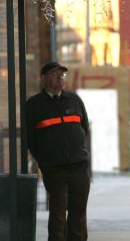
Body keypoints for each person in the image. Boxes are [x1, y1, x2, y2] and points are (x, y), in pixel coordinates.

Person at [27, 61, 91, 241]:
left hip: (78, 165)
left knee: (78, 211)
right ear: (44, 79)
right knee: (58, 212)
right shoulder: (34, 105)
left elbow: (84, 128)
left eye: (62, 75)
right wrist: (45, 161)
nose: (60, 79)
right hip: (54, 168)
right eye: (55, 75)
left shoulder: (74, 100)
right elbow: (30, 138)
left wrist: (78, 150)